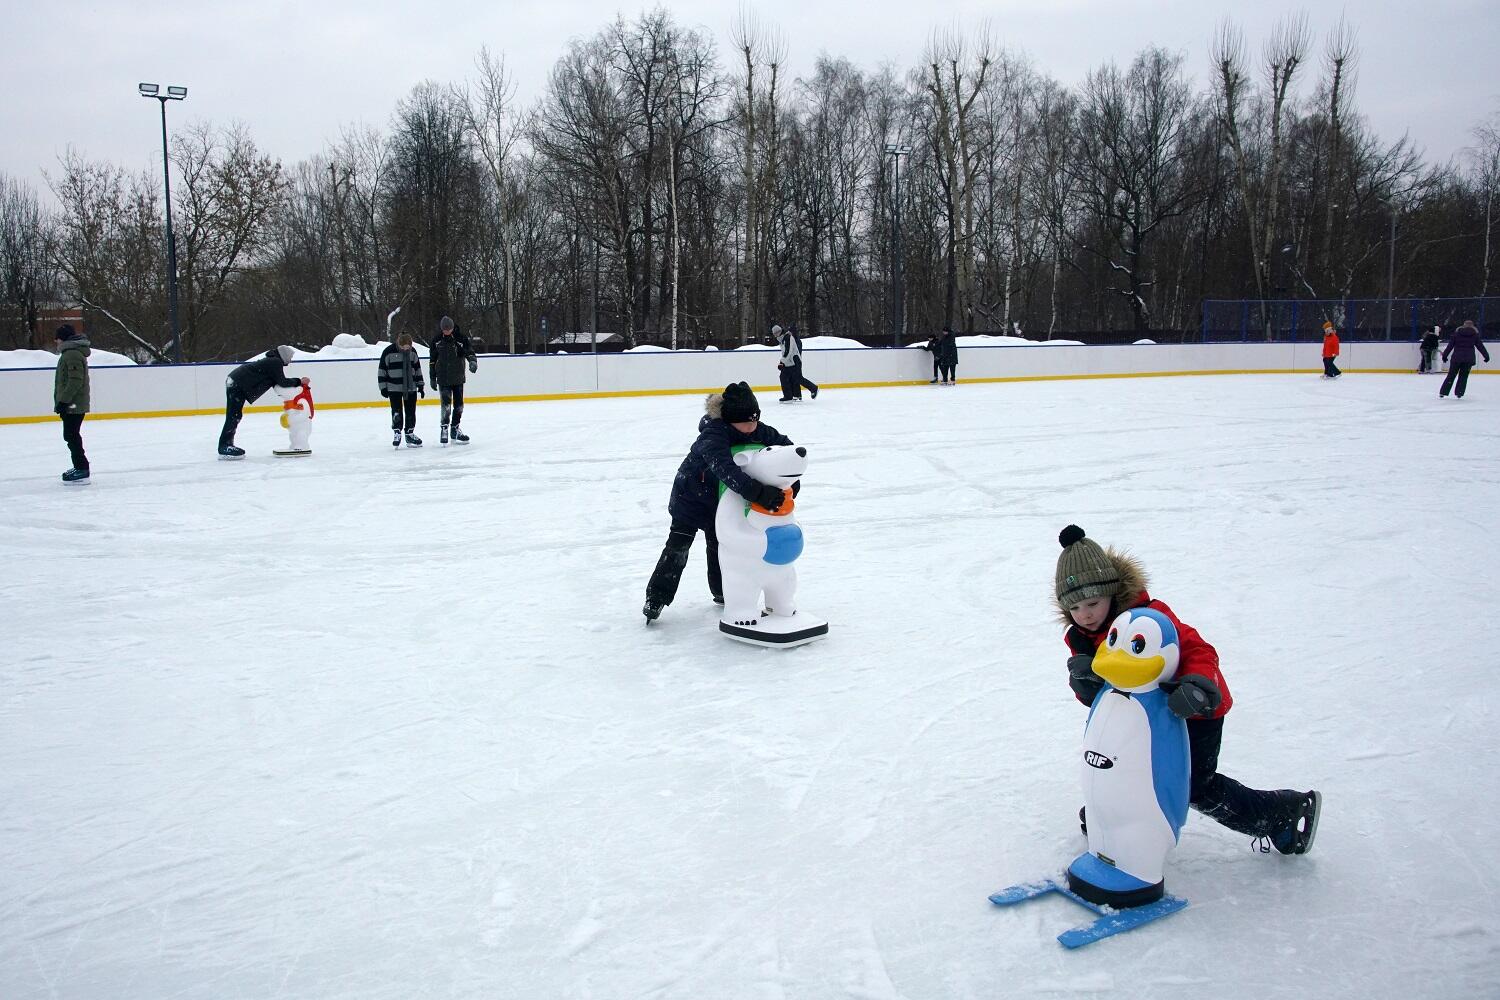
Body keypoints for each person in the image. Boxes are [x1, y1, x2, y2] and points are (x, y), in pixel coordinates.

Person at [1054, 524, 1321, 855]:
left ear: (1112, 591)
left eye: (1092, 602)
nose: (1085, 615)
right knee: (1117, 766)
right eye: (1075, 608)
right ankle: (1119, 821)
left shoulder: (1150, 617)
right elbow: (1102, 696)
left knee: (1193, 785)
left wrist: (1196, 684)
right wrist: (1085, 686)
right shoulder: (1080, 637)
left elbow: (1199, 651)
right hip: (1139, 718)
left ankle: (1280, 813)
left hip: (1192, 709)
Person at [643, 381, 794, 622]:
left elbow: (786, 449)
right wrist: (759, 493)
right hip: (690, 499)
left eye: (755, 420)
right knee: (677, 548)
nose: (752, 426)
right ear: (731, 419)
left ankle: (722, 592)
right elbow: (726, 470)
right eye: (746, 421)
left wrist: (789, 481)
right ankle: (656, 597)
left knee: (721, 547)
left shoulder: (757, 429)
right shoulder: (714, 434)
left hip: (719, 502)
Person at [220, 346, 306, 459]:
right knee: (233, 416)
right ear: (284, 355)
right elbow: (283, 382)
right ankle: (225, 446)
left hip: (235, 382)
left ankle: (226, 445)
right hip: (237, 383)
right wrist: (300, 381)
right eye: (290, 358)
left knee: (235, 416)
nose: (290, 361)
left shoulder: (271, 361)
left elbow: (276, 380)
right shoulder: (275, 362)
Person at [429, 315, 477, 444]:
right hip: (443, 378)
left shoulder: (460, 339)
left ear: (452, 327)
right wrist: (432, 377)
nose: (446, 331)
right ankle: (444, 428)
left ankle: (455, 428)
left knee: (459, 405)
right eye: (444, 329)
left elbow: (469, 351)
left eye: (448, 329)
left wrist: (473, 361)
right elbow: (432, 361)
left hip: (458, 377)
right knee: (445, 405)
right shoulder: (436, 341)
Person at [53, 324, 91, 484]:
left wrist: (63, 401)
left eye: (57, 338)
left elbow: (75, 381)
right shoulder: (69, 354)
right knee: (70, 435)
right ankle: (80, 466)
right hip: (71, 404)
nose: (55, 341)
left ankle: (82, 467)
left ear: (63, 339)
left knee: (71, 435)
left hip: (73, 404)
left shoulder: (72, 354)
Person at [378, 331, 426, 447]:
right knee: (396, 411)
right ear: (398, 344)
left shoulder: (413, 352)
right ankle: (397, 432)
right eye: (403, 347)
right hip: (393, 387)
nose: (406, 349)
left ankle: (409, 433)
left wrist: (420, 385)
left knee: (411, 411)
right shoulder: (388, 351)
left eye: (408, 347)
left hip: (411, 388)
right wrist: (383, 388)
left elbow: (417, 369)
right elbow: (382, 370)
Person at [1439, 319, 1490, 399]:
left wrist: (1445, 356)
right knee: (1463, 376)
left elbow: (1450, 346)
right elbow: (1480, 347)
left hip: (1456, 358)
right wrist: (1486, 356)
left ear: (1463, 325)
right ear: (1472, 326)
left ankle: (1443, 392)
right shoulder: (1475, 335)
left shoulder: (1456, 334)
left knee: (1451, 375)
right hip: (1468, 359)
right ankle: (1459, 393)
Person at [773, 323, 819, 402]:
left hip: (795, 361)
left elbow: (789, 351)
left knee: (798, 378)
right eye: (774, 334)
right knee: (783, 377)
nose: (776, 335)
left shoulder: (787, 337)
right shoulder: (782, 340)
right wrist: (783, 362)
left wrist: (781, 362)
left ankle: (814, 388)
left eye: (777, 333)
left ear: (780, 331)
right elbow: (785, 353)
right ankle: (788, 396)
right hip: (788, 362)